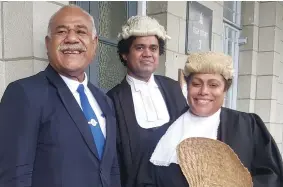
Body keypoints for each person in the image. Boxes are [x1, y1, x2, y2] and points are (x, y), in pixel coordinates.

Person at [0, 5, 121, 187]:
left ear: (94, 43)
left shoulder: (104, 100)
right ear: (48, 43)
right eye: (62, 31)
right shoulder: (24, 93)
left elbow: (111, 169)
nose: (71, 38)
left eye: (81, 31)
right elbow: (14, 177)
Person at [135, 52, 283, 187]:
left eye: (213, 85)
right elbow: (145, 181)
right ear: (187, 86)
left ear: (225, 88)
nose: (204, 91)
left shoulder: (247, 126)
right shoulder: (164, 132)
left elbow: (272, 177)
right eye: (196, 84)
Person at [107, 16, 188, 186]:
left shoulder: (173, 88)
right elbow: (113, 160)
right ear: (124, 54)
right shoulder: (112, 99)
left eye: (153, 48)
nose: (148, 54)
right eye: (139, 47)